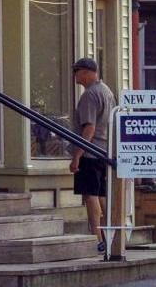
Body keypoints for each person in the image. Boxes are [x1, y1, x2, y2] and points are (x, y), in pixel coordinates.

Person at [68, 58, 115, 252]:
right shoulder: (106, 91)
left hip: (90, 152)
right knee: (101, 193)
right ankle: (110, 233)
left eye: (77, 71)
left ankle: (98, 238)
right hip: (104, 151)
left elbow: (89, 128)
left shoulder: (89, 95)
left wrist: (77, 155)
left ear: (87, 72)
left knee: (91, 195)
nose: (75, 76)